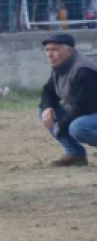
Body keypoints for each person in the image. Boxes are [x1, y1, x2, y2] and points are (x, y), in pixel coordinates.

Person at [38, 33, 97, 167]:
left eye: (55, 50)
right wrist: (47, 108)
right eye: (47, 50)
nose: (49, 54)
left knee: (79, 127)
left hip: (90, 111)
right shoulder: (61, 66)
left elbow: (84, 106)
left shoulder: (84, 69)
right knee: (45, 113)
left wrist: (61, 124)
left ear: (69, 50)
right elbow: (48, 91)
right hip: (84, 112)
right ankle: (75, 155)